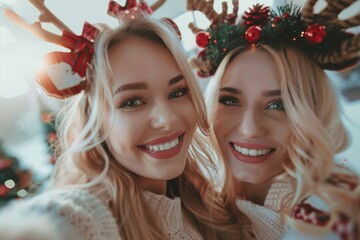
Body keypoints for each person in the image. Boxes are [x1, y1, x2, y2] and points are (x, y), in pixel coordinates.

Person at [0, 18, 240, 240]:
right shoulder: (89, 214)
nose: (166, 119)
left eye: (177, 92)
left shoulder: (201, 202)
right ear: (95, 121)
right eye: (132, 101)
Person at [189, 0, 360, 239]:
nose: (249, 129)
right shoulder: (202, 204)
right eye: (229, 100)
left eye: (278, 105)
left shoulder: (332, 215)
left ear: (313, 112)